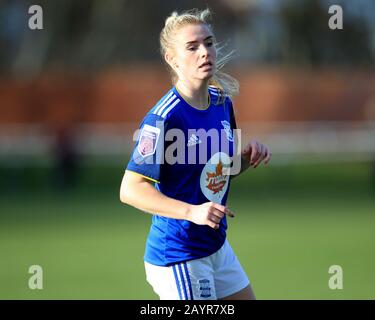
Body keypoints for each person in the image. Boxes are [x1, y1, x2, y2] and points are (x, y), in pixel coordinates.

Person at [120, 8, 271, 300]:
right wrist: (193, 212)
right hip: (179, 254)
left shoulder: (222, 102)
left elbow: (217, 172)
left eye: (209, 43)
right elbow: (130, 190)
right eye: (192, 47)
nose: (204, 52)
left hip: (216, 246)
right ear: (172, 59)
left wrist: (245, 159)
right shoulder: (163, 118)